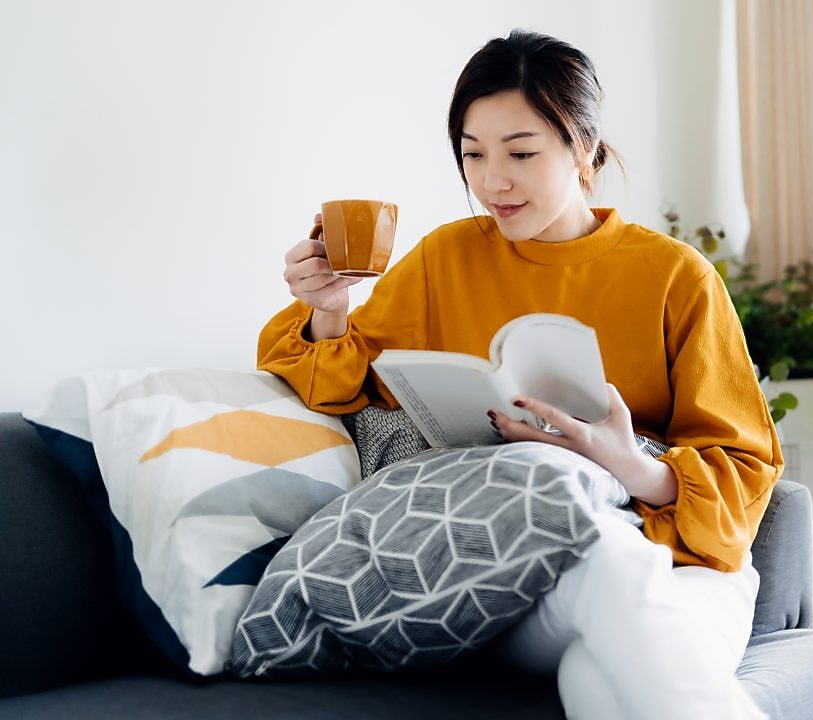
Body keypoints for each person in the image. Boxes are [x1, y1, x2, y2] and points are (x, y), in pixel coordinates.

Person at [258, 29, 782, 720]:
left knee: (598, 682)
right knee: (605, 577)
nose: (491, 181)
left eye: (522, 153)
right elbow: (341, 384)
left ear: (584, 149)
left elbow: (745, 470)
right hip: (528, 566)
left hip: (682, 560)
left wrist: (630, 466)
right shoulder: (445, 259)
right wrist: (328, 310)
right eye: (472, 154)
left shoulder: (674, 277)